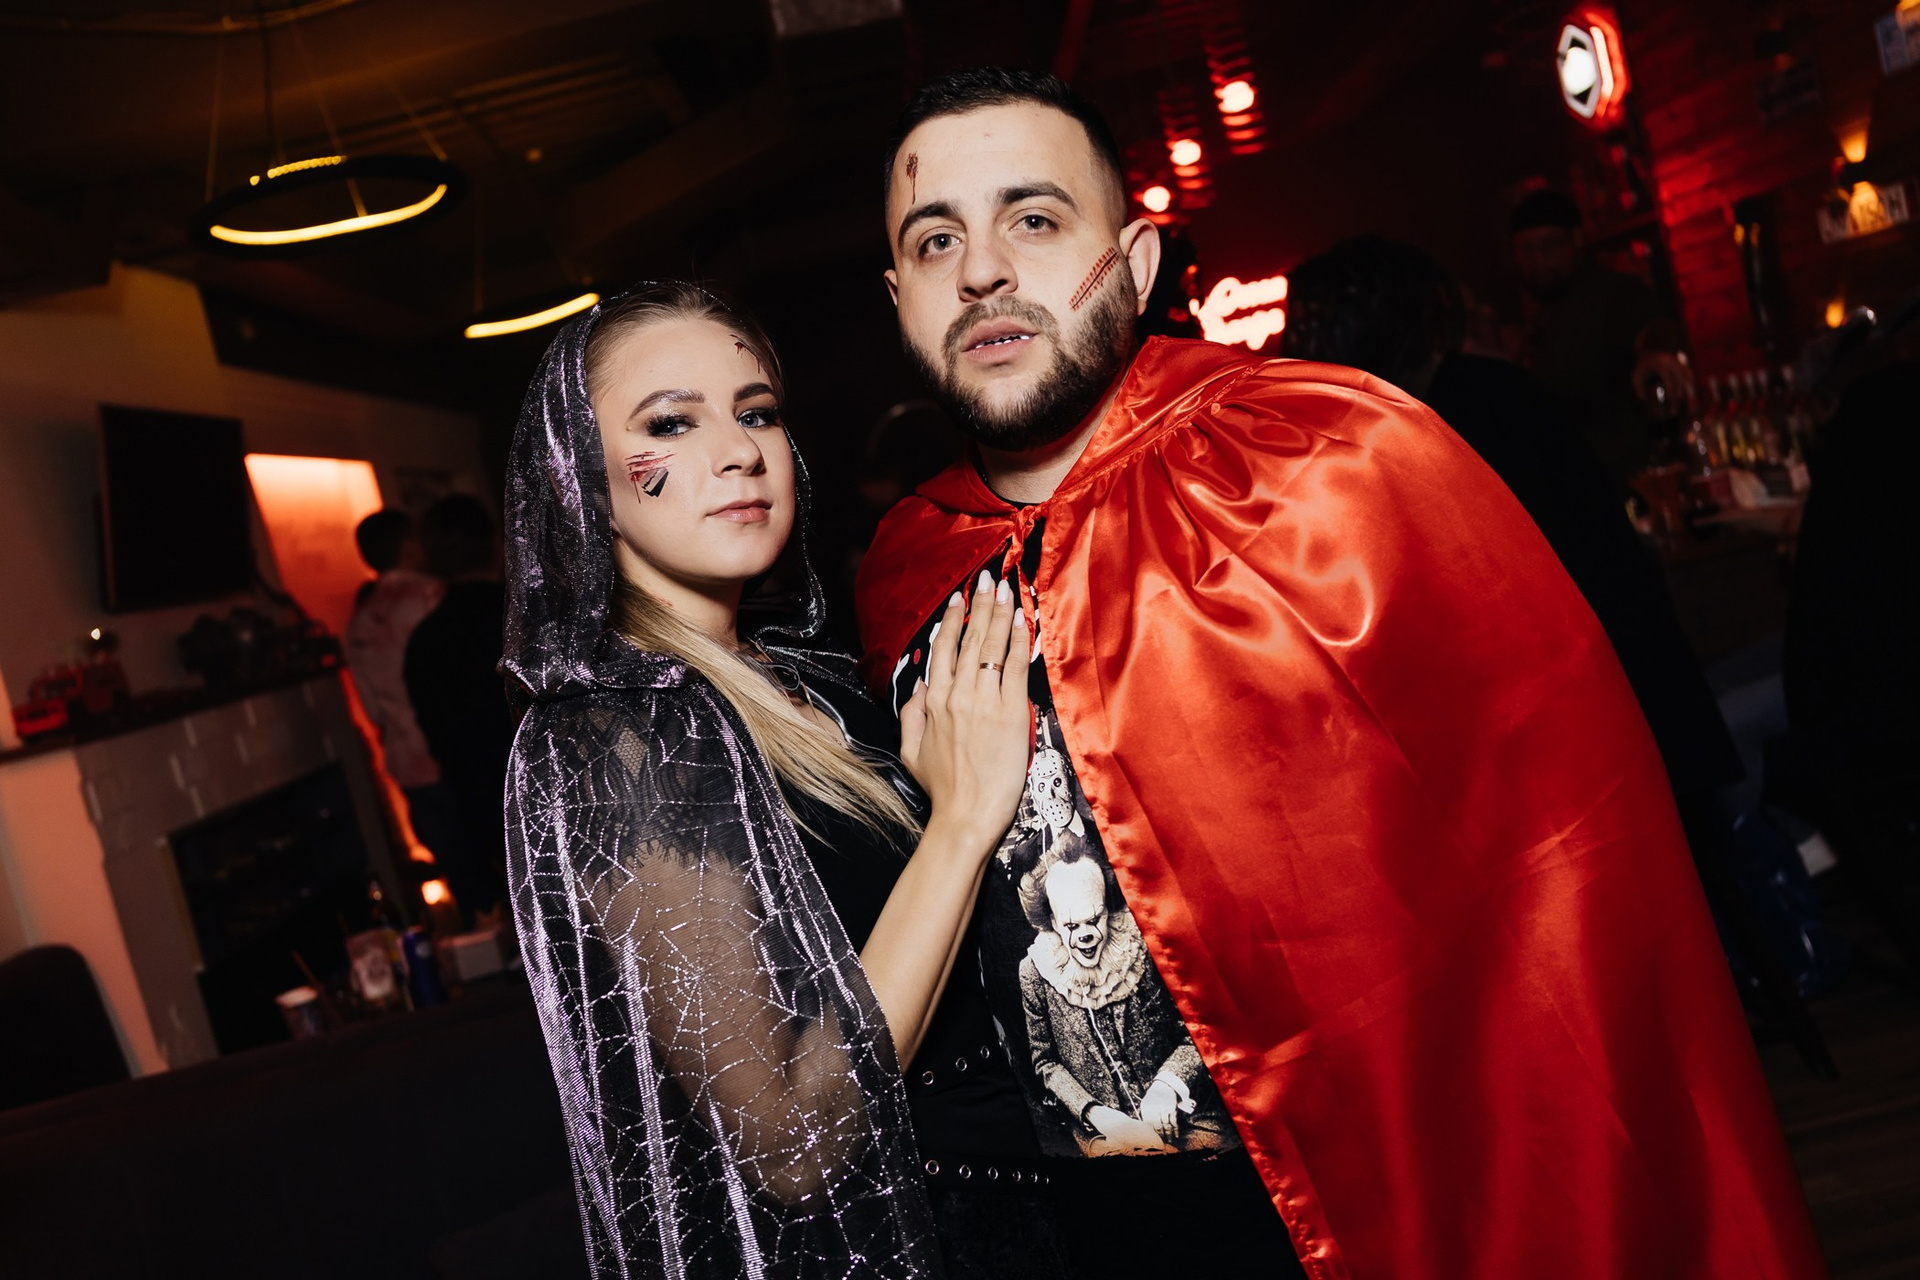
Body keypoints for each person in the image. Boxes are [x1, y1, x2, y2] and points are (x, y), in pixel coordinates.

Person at [856, 68, 1826, 1279]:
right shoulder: (907, 568)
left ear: (1138, 264)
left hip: (1391, 1187)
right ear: (899, 298)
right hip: (1091, 1230)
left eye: (1035, 218)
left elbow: (1558, 872)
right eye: (935, 239)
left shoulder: (1323, 457)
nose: (984, 270)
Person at [500, 282, 1075, 1279]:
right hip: (950, 1238)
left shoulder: (805, 677)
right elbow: (795, 1146)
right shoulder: (621, 744)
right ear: (579, 481)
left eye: (756, 411)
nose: (739, 450)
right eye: (670, 423)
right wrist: (960, 821)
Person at [1510, 187, 1691, 486]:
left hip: (1632, 481)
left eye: (1549, 245)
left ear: (1576, 239)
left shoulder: (1612, 294)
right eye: (1527, 250)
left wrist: (1656, 352)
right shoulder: (1539, 318)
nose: (1539, 259)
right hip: (1576, 485)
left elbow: (1654, 324)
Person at [404, 494, 513, 927]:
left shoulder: (424, 642)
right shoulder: (528, 617)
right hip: (569, 803)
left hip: (485, 816)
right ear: (497, 544)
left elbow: (441, 742)